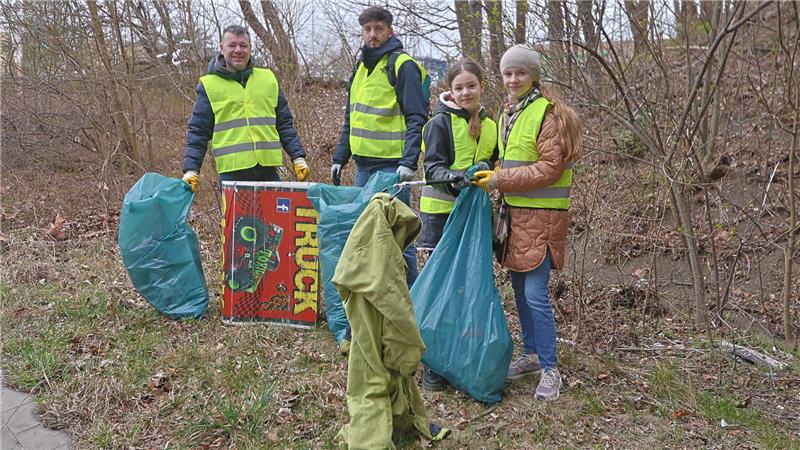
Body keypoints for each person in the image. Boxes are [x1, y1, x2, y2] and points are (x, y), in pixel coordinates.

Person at [472, 44, 582, 401]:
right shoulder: (509, 114)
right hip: (516, 219)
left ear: (533, 75)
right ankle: (532, 356)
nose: (513, 79)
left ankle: (550, 369)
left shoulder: (546, 114)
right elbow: (515, 162)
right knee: (520, 293)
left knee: (535, 295)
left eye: (520, 72)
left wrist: (500, 180)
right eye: (507, 73)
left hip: (543, 221)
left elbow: (550, 169)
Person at [330, 5, 428, 287]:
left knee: (398, 235)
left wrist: (408, 162)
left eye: (378, 29)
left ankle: (412, 297)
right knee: (369, 235)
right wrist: (340, 157)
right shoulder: (361, 67)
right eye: (368, 29)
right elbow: (352, 116)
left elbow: (417, 117)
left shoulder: (402, 66)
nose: (372, 35)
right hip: (363, 166)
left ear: (390, 31)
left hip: (392, 168)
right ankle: (381, 295)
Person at [417, 59, 497, 391]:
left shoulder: (493, 123)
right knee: (439, 289)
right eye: (459, 87)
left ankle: (462, 352)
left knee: (467, 285)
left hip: (473, 219)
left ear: (482, 86)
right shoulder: (439, 122)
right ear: (450, 90)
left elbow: (494, 163)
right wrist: (456, 178)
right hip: (440, 216)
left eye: (471, 86)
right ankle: (433, 363)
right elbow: (431, 169)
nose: (466, 92)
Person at [181, 25, 309, 191]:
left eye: (243, 45)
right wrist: (191, 169)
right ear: (221, 48)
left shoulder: (268, 79)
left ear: (250, 48)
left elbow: (284, 124)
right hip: (232, 174)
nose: (238, 50)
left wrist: (298, 157)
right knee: (237, 218)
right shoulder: (209, 85)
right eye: (232, 45)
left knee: (272, 218)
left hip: (268, 170)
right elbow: (198, 131)